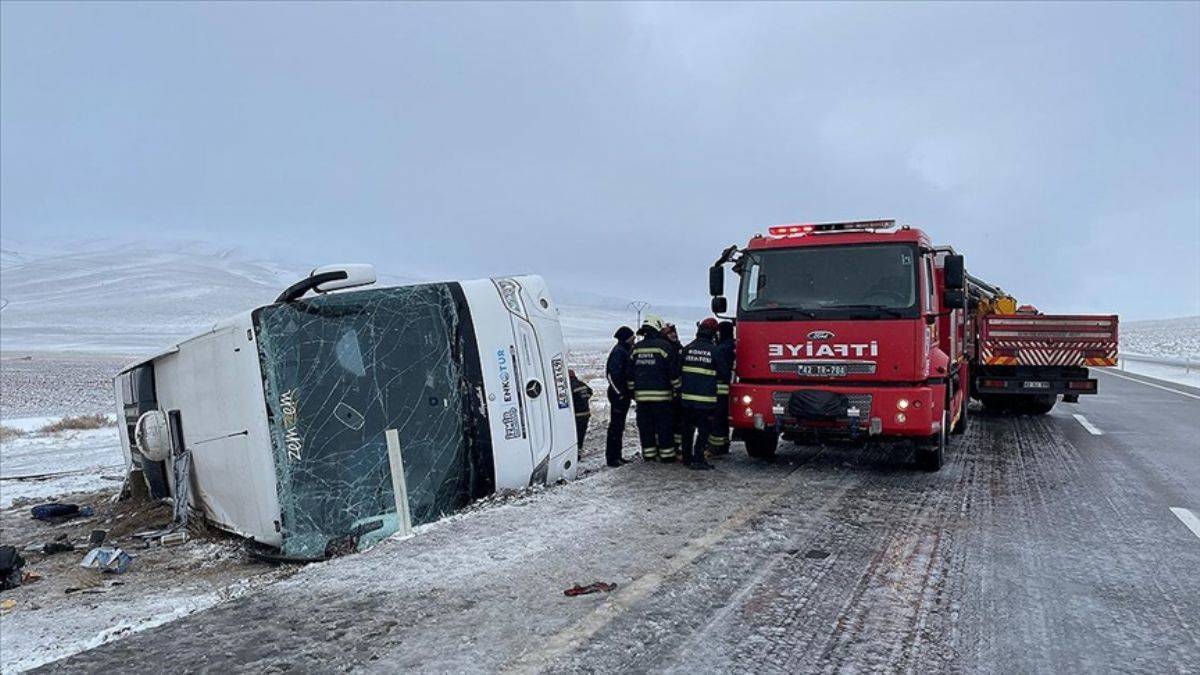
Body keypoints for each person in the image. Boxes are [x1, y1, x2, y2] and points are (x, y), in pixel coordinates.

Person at [630, 315, 681, 462]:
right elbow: (673, 372)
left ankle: (649, 454)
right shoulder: (664, 347)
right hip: (662, 397)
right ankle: (666, 455)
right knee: (664, 426)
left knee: (646, 427)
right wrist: (678, 389)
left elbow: (630, 374)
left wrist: (634, 392)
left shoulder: (636, 348)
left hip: (641, 398)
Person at [679, 319, 720, 470]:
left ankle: (687, 458)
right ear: (713, 333)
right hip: (706, 400)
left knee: (687, 429)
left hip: (687, 399)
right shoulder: (715, 351)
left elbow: (678, 371)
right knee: (704, 430)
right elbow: (722, 372)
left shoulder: (687, 349)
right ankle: (698, 458)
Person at [604, 326, 636, 467]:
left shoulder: (624, 350)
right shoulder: (619, 352)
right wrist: (621, 393)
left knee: (619, 426)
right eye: (632, 337)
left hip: (622, 394)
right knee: (616, 427)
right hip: (618, 395)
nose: (634, 339)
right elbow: (612, 375)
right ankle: (613, 457)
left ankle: (617, 456)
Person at [709, 320, 735, 456]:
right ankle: (724, 443)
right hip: (733, 388)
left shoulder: (721, 349)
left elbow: (720, 370)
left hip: (720, 389)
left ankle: (717, 447)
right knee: (724, 418)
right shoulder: (735, 345)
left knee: (718, 419)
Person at [661, 322, 684, 455]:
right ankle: (668, 447)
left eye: (674, 332)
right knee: (668, 422)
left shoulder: (678, 348)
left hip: (678, 391)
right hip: (668, 391)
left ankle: (677, 446)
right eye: (670, 333)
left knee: (678, 422)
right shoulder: (666, 349)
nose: (674, 335)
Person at [569, 369, 593, 448]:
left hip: (577, 415)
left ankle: (576, 453)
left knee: (575, 436)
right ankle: (579, 451)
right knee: (581, 435)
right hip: (586, 413)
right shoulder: (581, 384)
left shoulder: (570, 387)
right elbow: (590, 392)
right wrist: (584, 399)